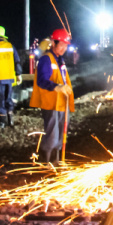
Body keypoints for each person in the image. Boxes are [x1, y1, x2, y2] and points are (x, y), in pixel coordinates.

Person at [29, 28, 75, 164]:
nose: (64, 48)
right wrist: (57, 87)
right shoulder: (46, 59)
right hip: (51, 103)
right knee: (52, 134)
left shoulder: (60, 61)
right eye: (61, 45)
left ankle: (56, 160)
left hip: (62, 102)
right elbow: (41, 80)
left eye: (66, 46)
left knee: (61, 134)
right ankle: (45, 161)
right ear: (53, 43)